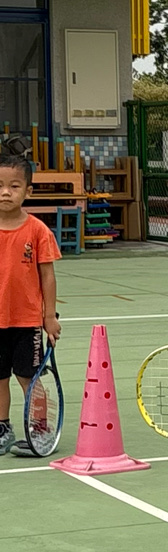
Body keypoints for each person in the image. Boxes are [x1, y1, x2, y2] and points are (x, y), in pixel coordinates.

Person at [0, 154, 62, 456]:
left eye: (14, 186)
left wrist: (49, 317)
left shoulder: (38, 231)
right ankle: (2, 428)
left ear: (28, 191)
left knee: (29, 378)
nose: (5, 192)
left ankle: (40, 430)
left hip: (27, 322)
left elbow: (47, 276)